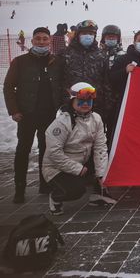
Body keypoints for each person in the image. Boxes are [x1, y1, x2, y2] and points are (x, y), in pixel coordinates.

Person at [4, 27, 64, 203]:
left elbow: (61, 84)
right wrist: (14, 110)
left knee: (47, 150)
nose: (41, 42)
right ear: (32, 41)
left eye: (45, 39)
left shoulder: (56, 61)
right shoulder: (20, 61)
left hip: (49, 113)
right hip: (27, 113)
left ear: (50, 41)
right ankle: (19, 188)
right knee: (23, 150)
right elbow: (8, 86)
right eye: (38, 39)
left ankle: (45, 184)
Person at [43, 82, 113, 215]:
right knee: (76, 191)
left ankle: (97, 194)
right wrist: (77, 169)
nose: (86, 104)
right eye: (81, 101)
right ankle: (56, 197)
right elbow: (54, 153)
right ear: (72, 101)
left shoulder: (96, 118)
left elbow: (100, 147)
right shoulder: (62, 123)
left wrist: (101, 174)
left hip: (82, 161)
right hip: (56, 167)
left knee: (104, 162)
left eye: (89, 101)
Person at [61, 20, 109, 117]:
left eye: (91, 33)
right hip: (70, 106)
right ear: (78, 35)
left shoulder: (101, 55)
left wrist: (106, 105)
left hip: (95, 106)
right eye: (84, 33)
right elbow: (59, 80)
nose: (88, 36)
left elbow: (106, 81)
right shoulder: (65, 54)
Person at [99, 24, 125, 148]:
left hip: (116, 101)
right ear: (103, 38)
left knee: (113, 134)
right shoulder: (97, 54)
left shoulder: (123, 56)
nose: (111, 39)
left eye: (113, 37)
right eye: (108, 37)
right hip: (98, 101)